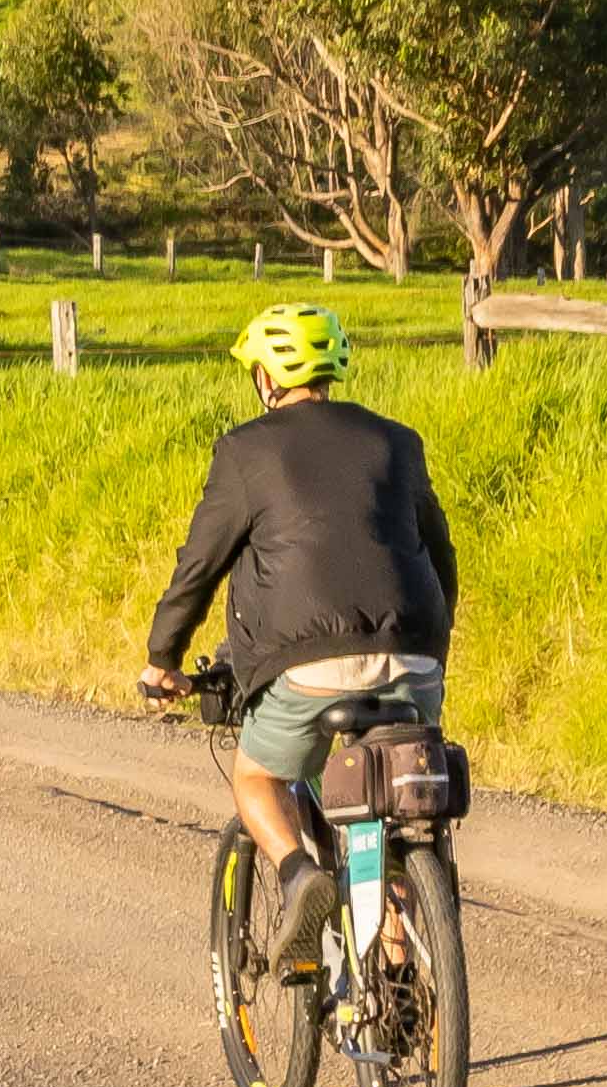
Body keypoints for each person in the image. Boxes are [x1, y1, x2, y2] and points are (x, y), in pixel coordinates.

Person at [141, 293, 459, 967]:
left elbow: (200, 566)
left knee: (256, 778)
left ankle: (298, 876)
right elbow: (440, 553)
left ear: (265, 377)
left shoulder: (245, 451)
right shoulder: (397, 441)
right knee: (392, 809)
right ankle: (401, 977)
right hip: (416, 657)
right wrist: (431, 652)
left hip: (308, 664)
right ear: (331, 369)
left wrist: (162, 656)